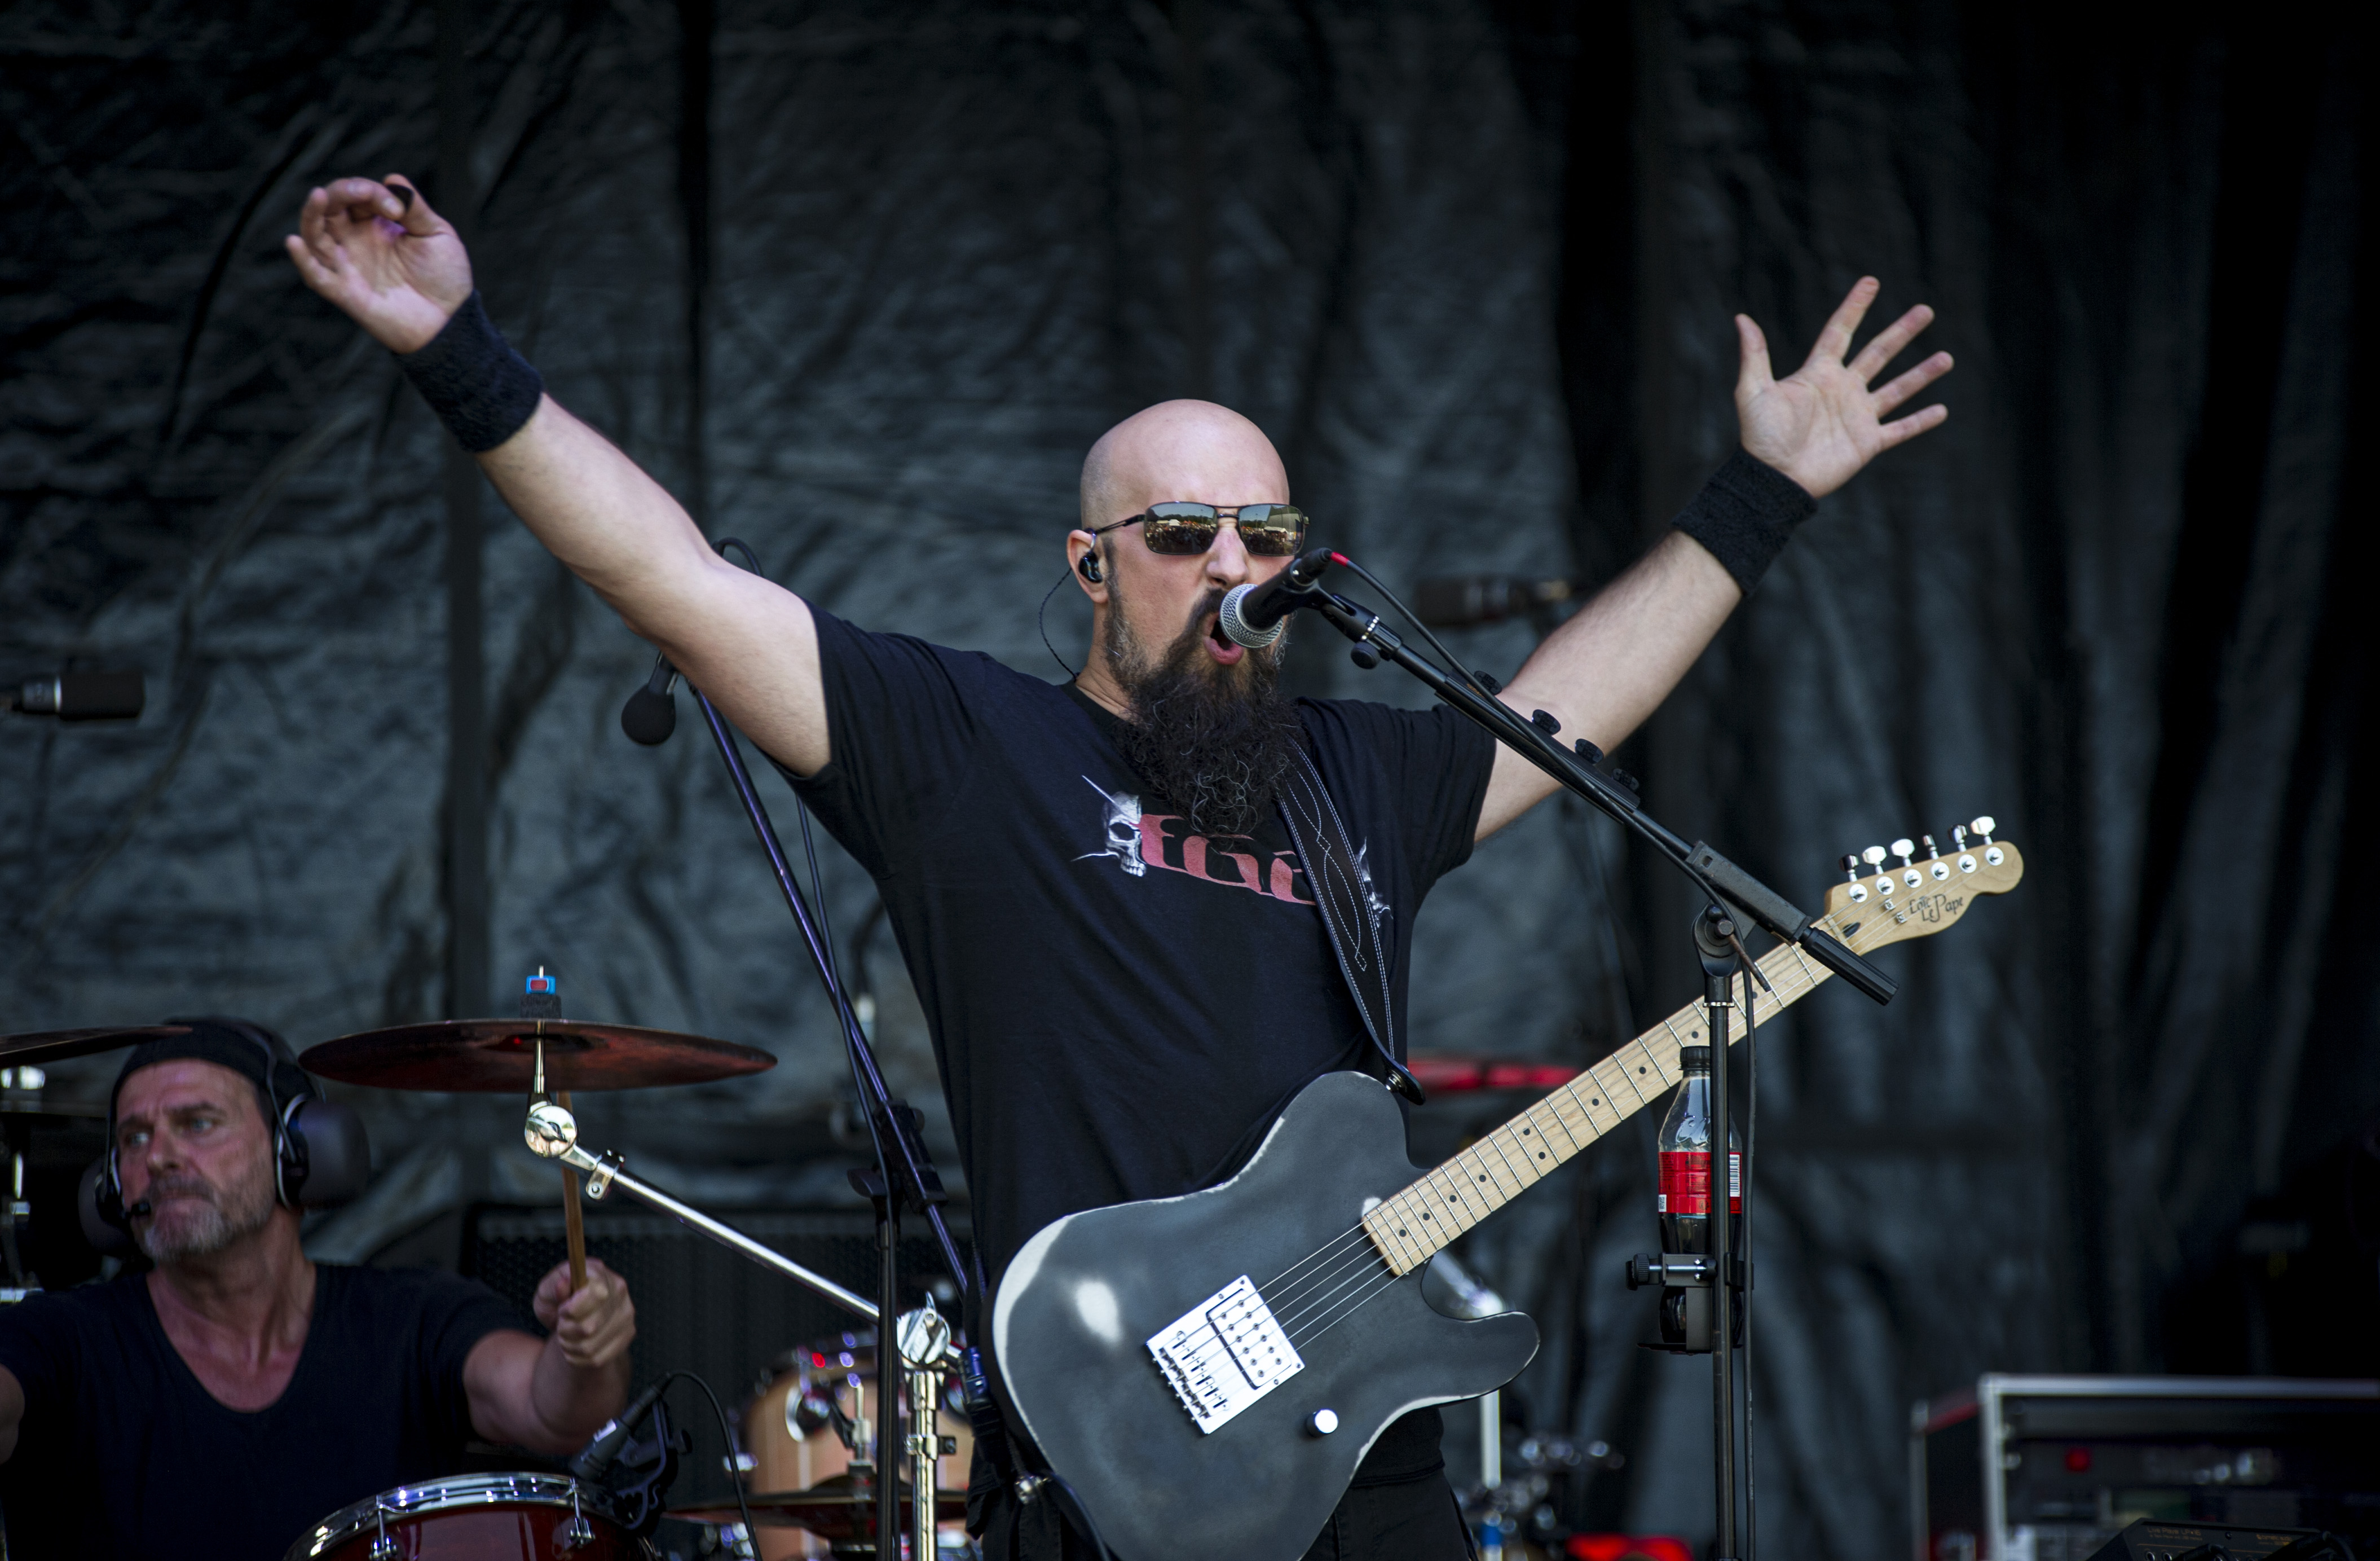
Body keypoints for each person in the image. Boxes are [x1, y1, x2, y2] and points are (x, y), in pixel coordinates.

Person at [282, 173, 1950, 1559]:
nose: (1230, 567)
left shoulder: (1353, 778)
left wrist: (1761, 494)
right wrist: (457, 351)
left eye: (1263, 537)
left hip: (1363, 1462)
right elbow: (673, 580)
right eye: (1180, 535)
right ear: (1091, 564)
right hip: (1118, 1457)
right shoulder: (966, 749)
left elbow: (1566, 706)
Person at [0, 1022, 638, 1560]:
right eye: (133, 1138)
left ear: (298, 1151)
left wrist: (586, 1347)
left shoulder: (411, 1317)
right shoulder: (59, 1338)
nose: (158, 1156)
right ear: (111, 1185)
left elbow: (554, 1412)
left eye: (197, 1123)